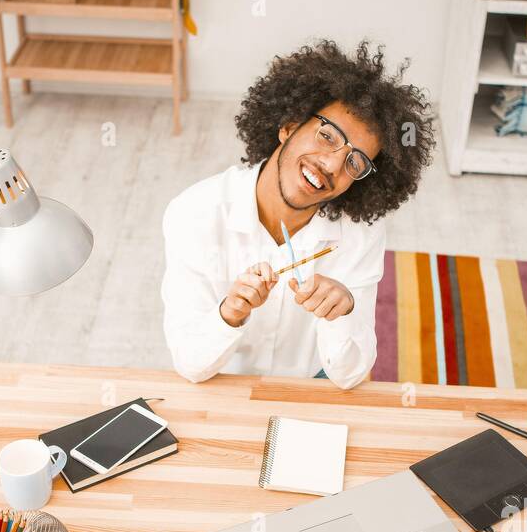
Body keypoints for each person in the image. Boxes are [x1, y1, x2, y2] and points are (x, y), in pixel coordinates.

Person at [161, 40, 434, 389]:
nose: (332, 164)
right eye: (327, 136)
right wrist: (229, 313)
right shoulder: (195, 213)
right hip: (223, 384)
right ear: (289, 125)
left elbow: (349, 376)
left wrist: (343, 311)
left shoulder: (360, 234)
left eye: (355, 162)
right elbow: (191, 365)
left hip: (312, 387)